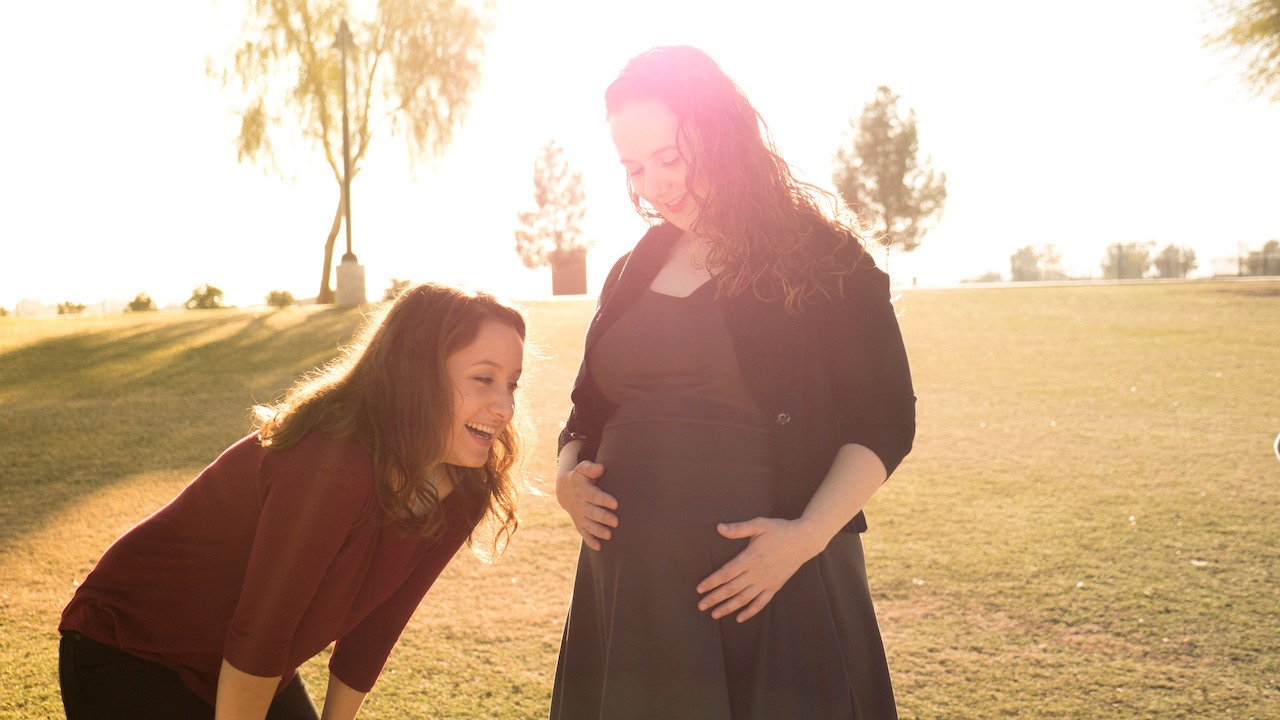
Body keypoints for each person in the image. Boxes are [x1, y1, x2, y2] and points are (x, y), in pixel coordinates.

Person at [551, 46, 916, 720]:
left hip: (774, 592)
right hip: (632, 603)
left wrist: (804, 537)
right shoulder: (631, 270)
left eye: (669, 157)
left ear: (720, 133)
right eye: (633, 168)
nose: (654, 185)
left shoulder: (825, 258)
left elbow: (885, 419)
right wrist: (566, 479)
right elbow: (586, 414)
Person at [58, 283, 526, 720]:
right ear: (416, 373)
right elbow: (261, 633)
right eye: (483, 378)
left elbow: (379, 625)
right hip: (131, 646)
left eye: (511, 384)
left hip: (252, 661)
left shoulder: (466, 485)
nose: (504, 407)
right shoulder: (332, 462)